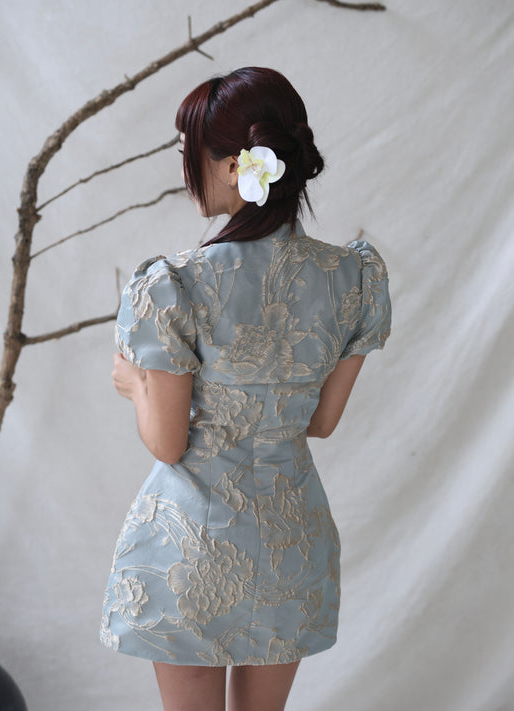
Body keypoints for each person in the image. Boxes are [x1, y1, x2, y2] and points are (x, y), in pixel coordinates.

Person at [100, 66, 391, 711]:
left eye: (189, 150)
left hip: (193, 547)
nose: (185, 168)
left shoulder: (174, 285)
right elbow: (321, 422)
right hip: (290, 541)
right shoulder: (353, 277)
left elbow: (168, 443)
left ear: (235, 167)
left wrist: (135, 384)